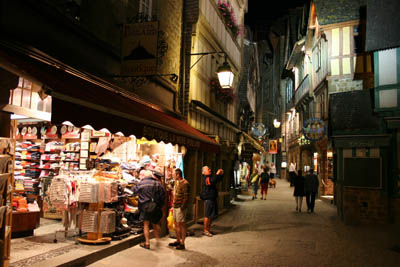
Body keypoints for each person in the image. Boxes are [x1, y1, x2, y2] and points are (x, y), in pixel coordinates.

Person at [133, 169, 166, 249]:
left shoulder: (141, 183)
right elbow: (162, 195)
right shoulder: (157, 184)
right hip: (155, 206)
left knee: (146, 224)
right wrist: (160, 205)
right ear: (151, 176)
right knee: (155, 223)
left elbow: (133, 191)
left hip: (144, 206)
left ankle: (147, 243)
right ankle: (158, 239)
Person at [168, 168, 190, 250]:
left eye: (173, 174)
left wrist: (182, 207)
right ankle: (178, 240)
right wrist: (173, 205)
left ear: (177, 174)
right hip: (175, 206)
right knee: (176, 224)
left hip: (180, 207)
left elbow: (186, 197)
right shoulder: (176, 182)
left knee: (182, 224)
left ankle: (182, 243)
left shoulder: (185, 183)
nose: (172, 175)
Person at [200, 166, 223, 237]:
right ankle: (205, 230)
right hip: (208, 199)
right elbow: (212, 181)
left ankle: (208, 229)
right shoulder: (205, 178)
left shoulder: (210, 177)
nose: (210, 170)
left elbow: (217, 180)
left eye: (210, 168)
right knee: (207, 215)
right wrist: (217, 174)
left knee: (211, 215)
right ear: (203, 172)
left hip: (212, 198)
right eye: (208, 169)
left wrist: (221, 174)